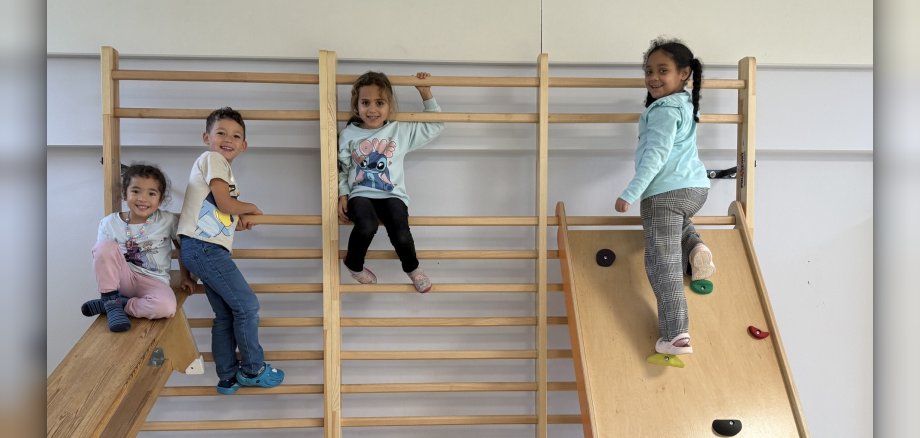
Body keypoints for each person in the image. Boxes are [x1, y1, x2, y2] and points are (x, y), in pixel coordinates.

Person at [614, 38, 716, 356]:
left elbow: (655, 157)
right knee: (676, 224)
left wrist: (631, 193)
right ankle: (695, 246)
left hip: (665, 193)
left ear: (684, 73)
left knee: (663, 264)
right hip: (695, 190)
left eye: (663, 70)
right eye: (649, 71)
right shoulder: (684, 104)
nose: (653, 77)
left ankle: (675, 335)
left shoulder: (663, 111)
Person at [178, 107, 284, 394]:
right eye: (221, 133)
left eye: (236, 136)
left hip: (199, 248)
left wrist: (237, 220)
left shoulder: (216, 169)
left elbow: (215, 212)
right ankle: (252, 369)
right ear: (207, 138)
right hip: (206, 249)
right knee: (247, 306)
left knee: (226, 315)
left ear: (244, 145)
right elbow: (225, 203)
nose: (228, 139)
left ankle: (227, 377)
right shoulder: (213, 159)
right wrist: (250, 208)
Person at [337, 71, 445, 293]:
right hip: (361, 194)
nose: (372, 109)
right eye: (365, 103)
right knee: (366, 226)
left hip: (393, 195)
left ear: (389, 106)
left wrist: (426, 93)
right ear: (356, 105)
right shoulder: (348, 134)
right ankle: (354, 264)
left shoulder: (399, 130)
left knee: (401, 231)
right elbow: (342, 168)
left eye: (380, 103)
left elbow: (435, 126)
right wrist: (342, 194)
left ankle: (413, 269)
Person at [81, 164, 195, 332]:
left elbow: (182, 247)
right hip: (122, 279)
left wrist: (185, 276)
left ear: (160, 199)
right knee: (103, 247)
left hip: (154, 281)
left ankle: (116, 305)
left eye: (151, 193)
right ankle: (110, 299)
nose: (143, 198)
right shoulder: (109, 223)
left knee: (167, 307)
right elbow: (102, 258)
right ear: (125, 194)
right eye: (135, 191)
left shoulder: (168, 221)